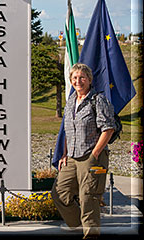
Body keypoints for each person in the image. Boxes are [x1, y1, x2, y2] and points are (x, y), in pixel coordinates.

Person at [51, 63, 116, 239]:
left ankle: (91, 235)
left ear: (89, 79)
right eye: (74, 78)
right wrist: (64, 154)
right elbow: (67, 129)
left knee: (89, 199)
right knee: (59, 194)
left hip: (92, 156)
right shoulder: (71, 100)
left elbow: (108, 128)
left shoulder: (98, 100)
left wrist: (95, 154)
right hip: (72, 157)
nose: (78, 81)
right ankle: (80, 228)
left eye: (82, 77)